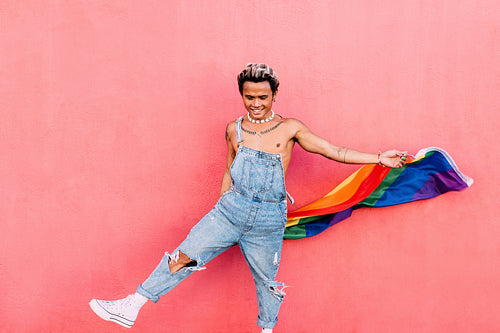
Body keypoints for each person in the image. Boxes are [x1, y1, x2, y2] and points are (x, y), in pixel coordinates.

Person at [89, 63, 407, 332]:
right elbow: (229, 168)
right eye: (249, 96)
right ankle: (133, 304)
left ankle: (266, 330)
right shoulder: (233, 129)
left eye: (263, 97)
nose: (256, 103)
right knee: (184, 255)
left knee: (266, 283)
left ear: (275, 95)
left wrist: (378, 157)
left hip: (268, 219)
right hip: (229, 211)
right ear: (241, 94)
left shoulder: (290, 128)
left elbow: (332, 150)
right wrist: (220, 205)